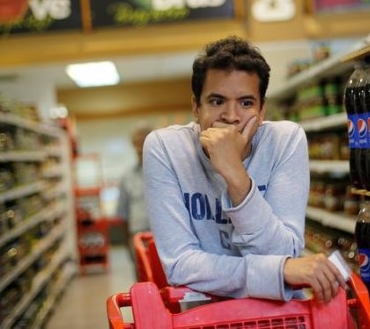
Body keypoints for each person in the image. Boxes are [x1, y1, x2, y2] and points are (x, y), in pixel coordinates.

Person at [143, 35, 348, 303]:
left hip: (277, 312)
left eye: (246, 103)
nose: (231, 116)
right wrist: (277, 272)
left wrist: (235, 175)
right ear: (196, 108)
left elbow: (284, 250)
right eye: (217, 102)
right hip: (204, 312)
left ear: (262, 111)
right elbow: (181, 264)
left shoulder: (285, 141)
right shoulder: (165, 148)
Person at [117, 124, 153, 276]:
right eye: (137, 142)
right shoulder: (127, 176)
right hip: (137, 236)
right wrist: (128, 242)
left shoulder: (168, 171)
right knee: (142, 276)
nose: (140, 147)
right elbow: (123, 213)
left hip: (163, 236)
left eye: (144, 141)